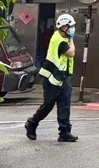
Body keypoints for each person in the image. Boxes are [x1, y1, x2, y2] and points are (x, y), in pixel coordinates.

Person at [25, 13, 78, 142]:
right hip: (51, 79)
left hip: (62, 78)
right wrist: (71, 39)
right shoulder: (58, 39)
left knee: (65, 105)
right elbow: (71, 53)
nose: (72, 29)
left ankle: (64, 132)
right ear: (63, 27)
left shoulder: (62, 37)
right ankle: (32, 123)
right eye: (70, 26)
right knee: (48, 105)